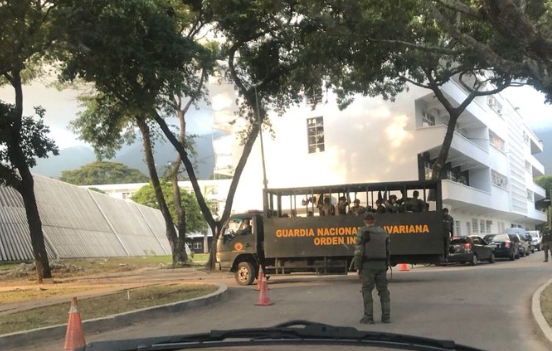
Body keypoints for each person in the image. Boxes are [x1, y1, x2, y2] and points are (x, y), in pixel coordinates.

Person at [353, 213, 391, 324]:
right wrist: (386, 265)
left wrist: (358, 267)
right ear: (375, 221)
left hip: (367, 266)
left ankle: (368, 317)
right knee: (384, 291)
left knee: (367, 290)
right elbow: (388, 251)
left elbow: (358, 252)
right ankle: (386, 317)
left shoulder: (362, 232)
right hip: (381, 265)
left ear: (365, 222)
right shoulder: (383, 232)